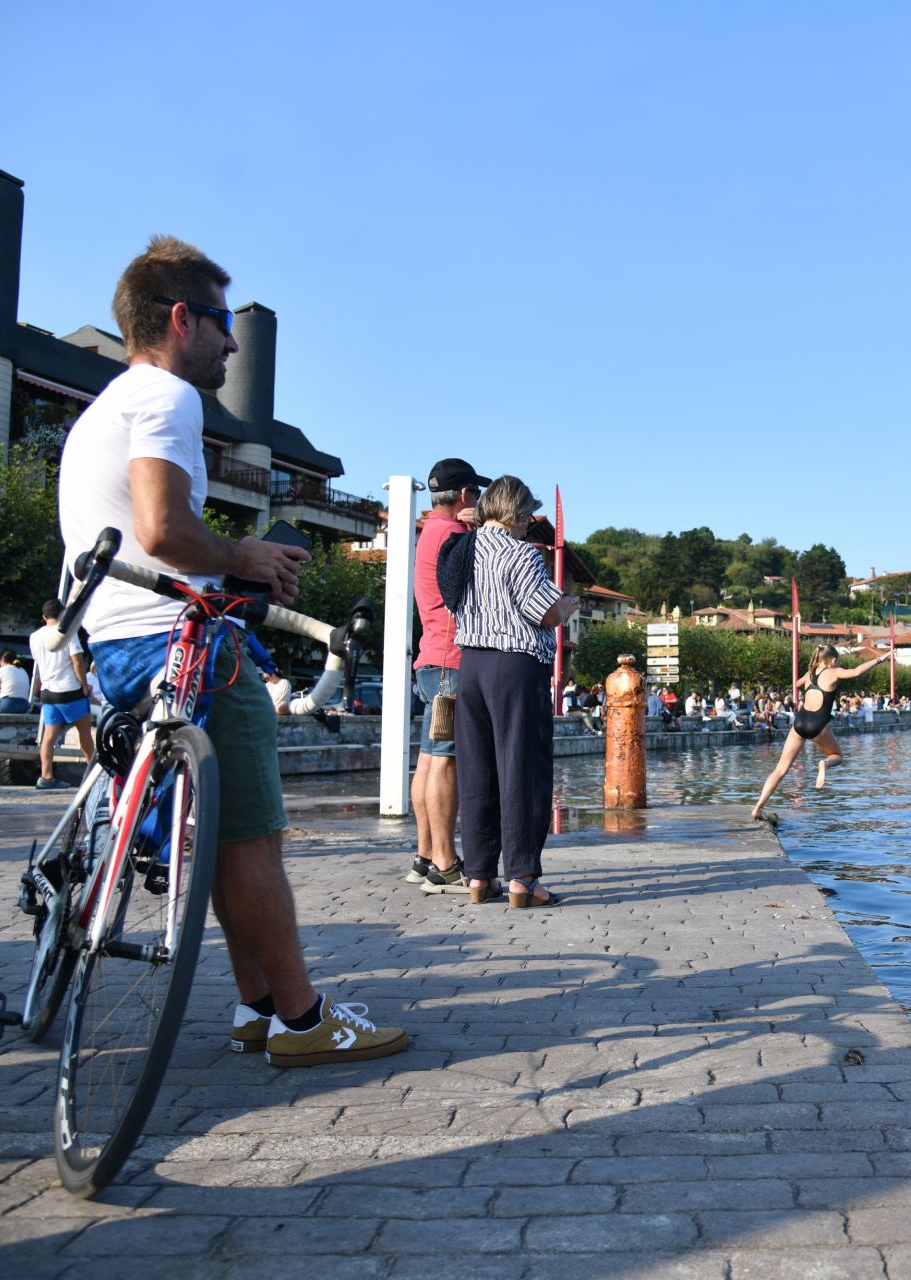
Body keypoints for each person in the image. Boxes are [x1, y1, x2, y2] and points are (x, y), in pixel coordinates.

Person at [56, 234, 406, 1066]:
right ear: (182, 319)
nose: (232, 341)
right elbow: (162, 530)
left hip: (115, 645)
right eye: (221, 322)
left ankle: (256, 1008)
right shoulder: (168, 399)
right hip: (177, 645)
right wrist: (244, 557)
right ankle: (302, 1017)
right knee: (252, 836)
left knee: (215, 836)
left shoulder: (102, 408)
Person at [452, 475, 578, 908]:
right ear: (518, 513)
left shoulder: (463, 549)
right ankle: (523, 878)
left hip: (470, 664)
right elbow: (541, 612)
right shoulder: (520, 553)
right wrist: (566, 604)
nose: (529, 525)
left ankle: (480, 875)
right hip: (514, 664)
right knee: (521, 769)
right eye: (527, 517)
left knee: (477, 771)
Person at [409, 455, 488, 896]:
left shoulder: (431, 531)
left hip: (431, 658)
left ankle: (424, 856)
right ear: (462, 496)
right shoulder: (455, 535)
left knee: (427, 759)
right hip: (449, 662)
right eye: (476, 492)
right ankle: (444, 863)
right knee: (445, 762)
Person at [750, 643, 893, 821]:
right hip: (818, 724)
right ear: (832, 660)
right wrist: (880, 659)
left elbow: (797, 683)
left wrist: (810, 673)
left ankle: (758, 807)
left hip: (800, 721)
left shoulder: (810, 674)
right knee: (837, 756)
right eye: (837, 661)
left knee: (780, 769)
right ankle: (824, 764)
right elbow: (856, 672)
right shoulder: (834, 672)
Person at [28, 599, 96, 789]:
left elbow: (40, 665)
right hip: (69, 690)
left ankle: (46, 776)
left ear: (44, 616)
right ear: (63, 614)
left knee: (49, 736)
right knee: (85, 732)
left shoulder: (34, 637)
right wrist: (84, 685)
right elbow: (77, 662)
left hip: (48, 691)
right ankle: (92, 773)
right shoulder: (67, 632)